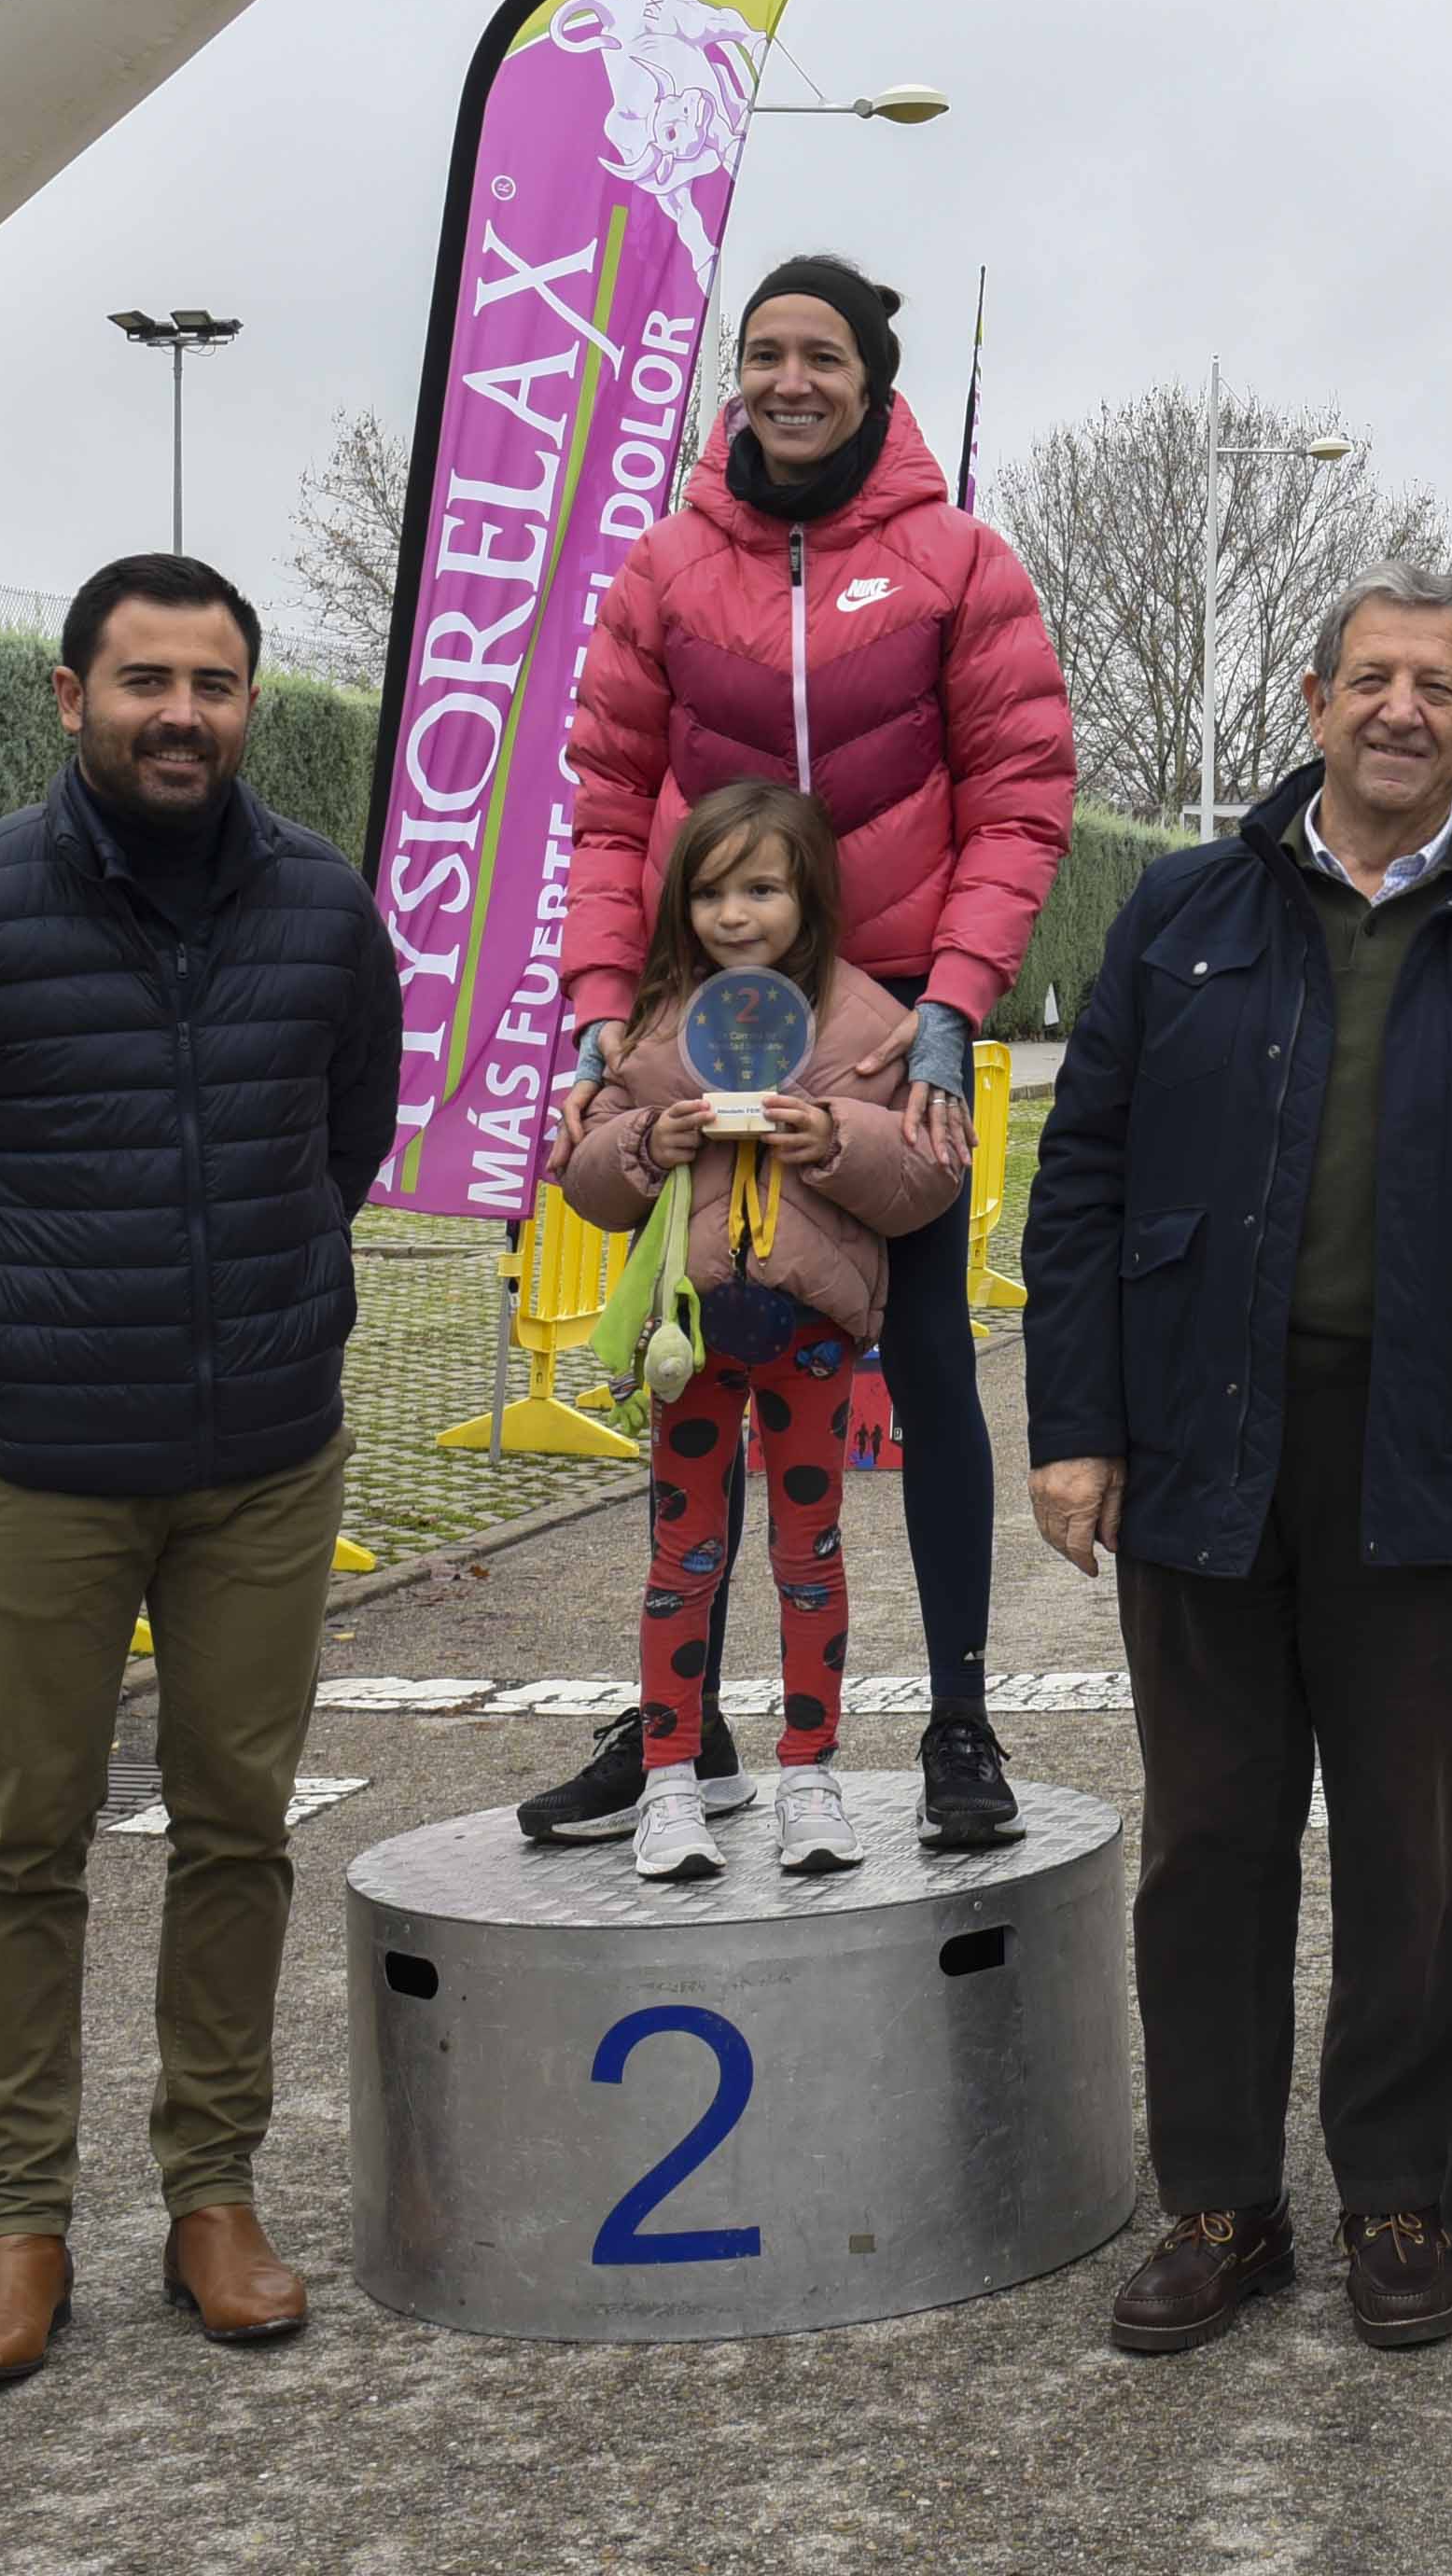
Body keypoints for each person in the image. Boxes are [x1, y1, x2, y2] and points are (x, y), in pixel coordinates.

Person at [1023, 565, 1452, 2358]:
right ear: (1311, 704)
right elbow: (1081, 1181)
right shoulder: (1183, 910)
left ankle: (1394, 2193)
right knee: (1210, 1838)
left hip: (1432, 1456)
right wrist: (1075, 1427)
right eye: (1370, 678)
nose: (1399, 710)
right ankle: (1219, 2204)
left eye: (1436, 686)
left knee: (1404, 1846)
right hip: (1199, 1436)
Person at [0, 554, 402, 2391]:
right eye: (145, 680)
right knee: (23, 1841)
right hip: (44, 1471)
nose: (180, 715)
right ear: (71, 696)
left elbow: (345, 1139)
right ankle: (21, 2222)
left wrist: (257, 1311)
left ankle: (213, 2193)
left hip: (261, 1466)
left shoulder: (323, 910)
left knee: (238, 1828)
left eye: (213, 684)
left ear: (247, 706)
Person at [538, 252, 1076, 1860]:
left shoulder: (959, 562)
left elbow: (1019, 796)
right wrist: (600, 1009)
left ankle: (960, 1723)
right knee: (692, 1356)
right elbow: (605, 801)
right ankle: (678, 1729)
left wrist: (953, 1008)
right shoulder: (660, 568)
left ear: (870, 379)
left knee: (928, 1358)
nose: (790, 379)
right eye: (765, 352)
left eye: (822, 355)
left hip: (884, 1026)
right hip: (699, 1017)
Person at [549, 783, 959, 1880]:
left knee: (806, 1548)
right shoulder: (656, 1022)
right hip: (688, 1338)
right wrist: (646, 1139)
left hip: (811, 1335)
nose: (734, 914)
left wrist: (837, 1135)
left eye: (762, 888)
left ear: (809, 895)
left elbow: (930, 1172)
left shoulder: (864, 1020)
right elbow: (585, 1176)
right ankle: (670, 1777)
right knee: (683, 1553)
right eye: (710, 891)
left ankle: (810, 1774)